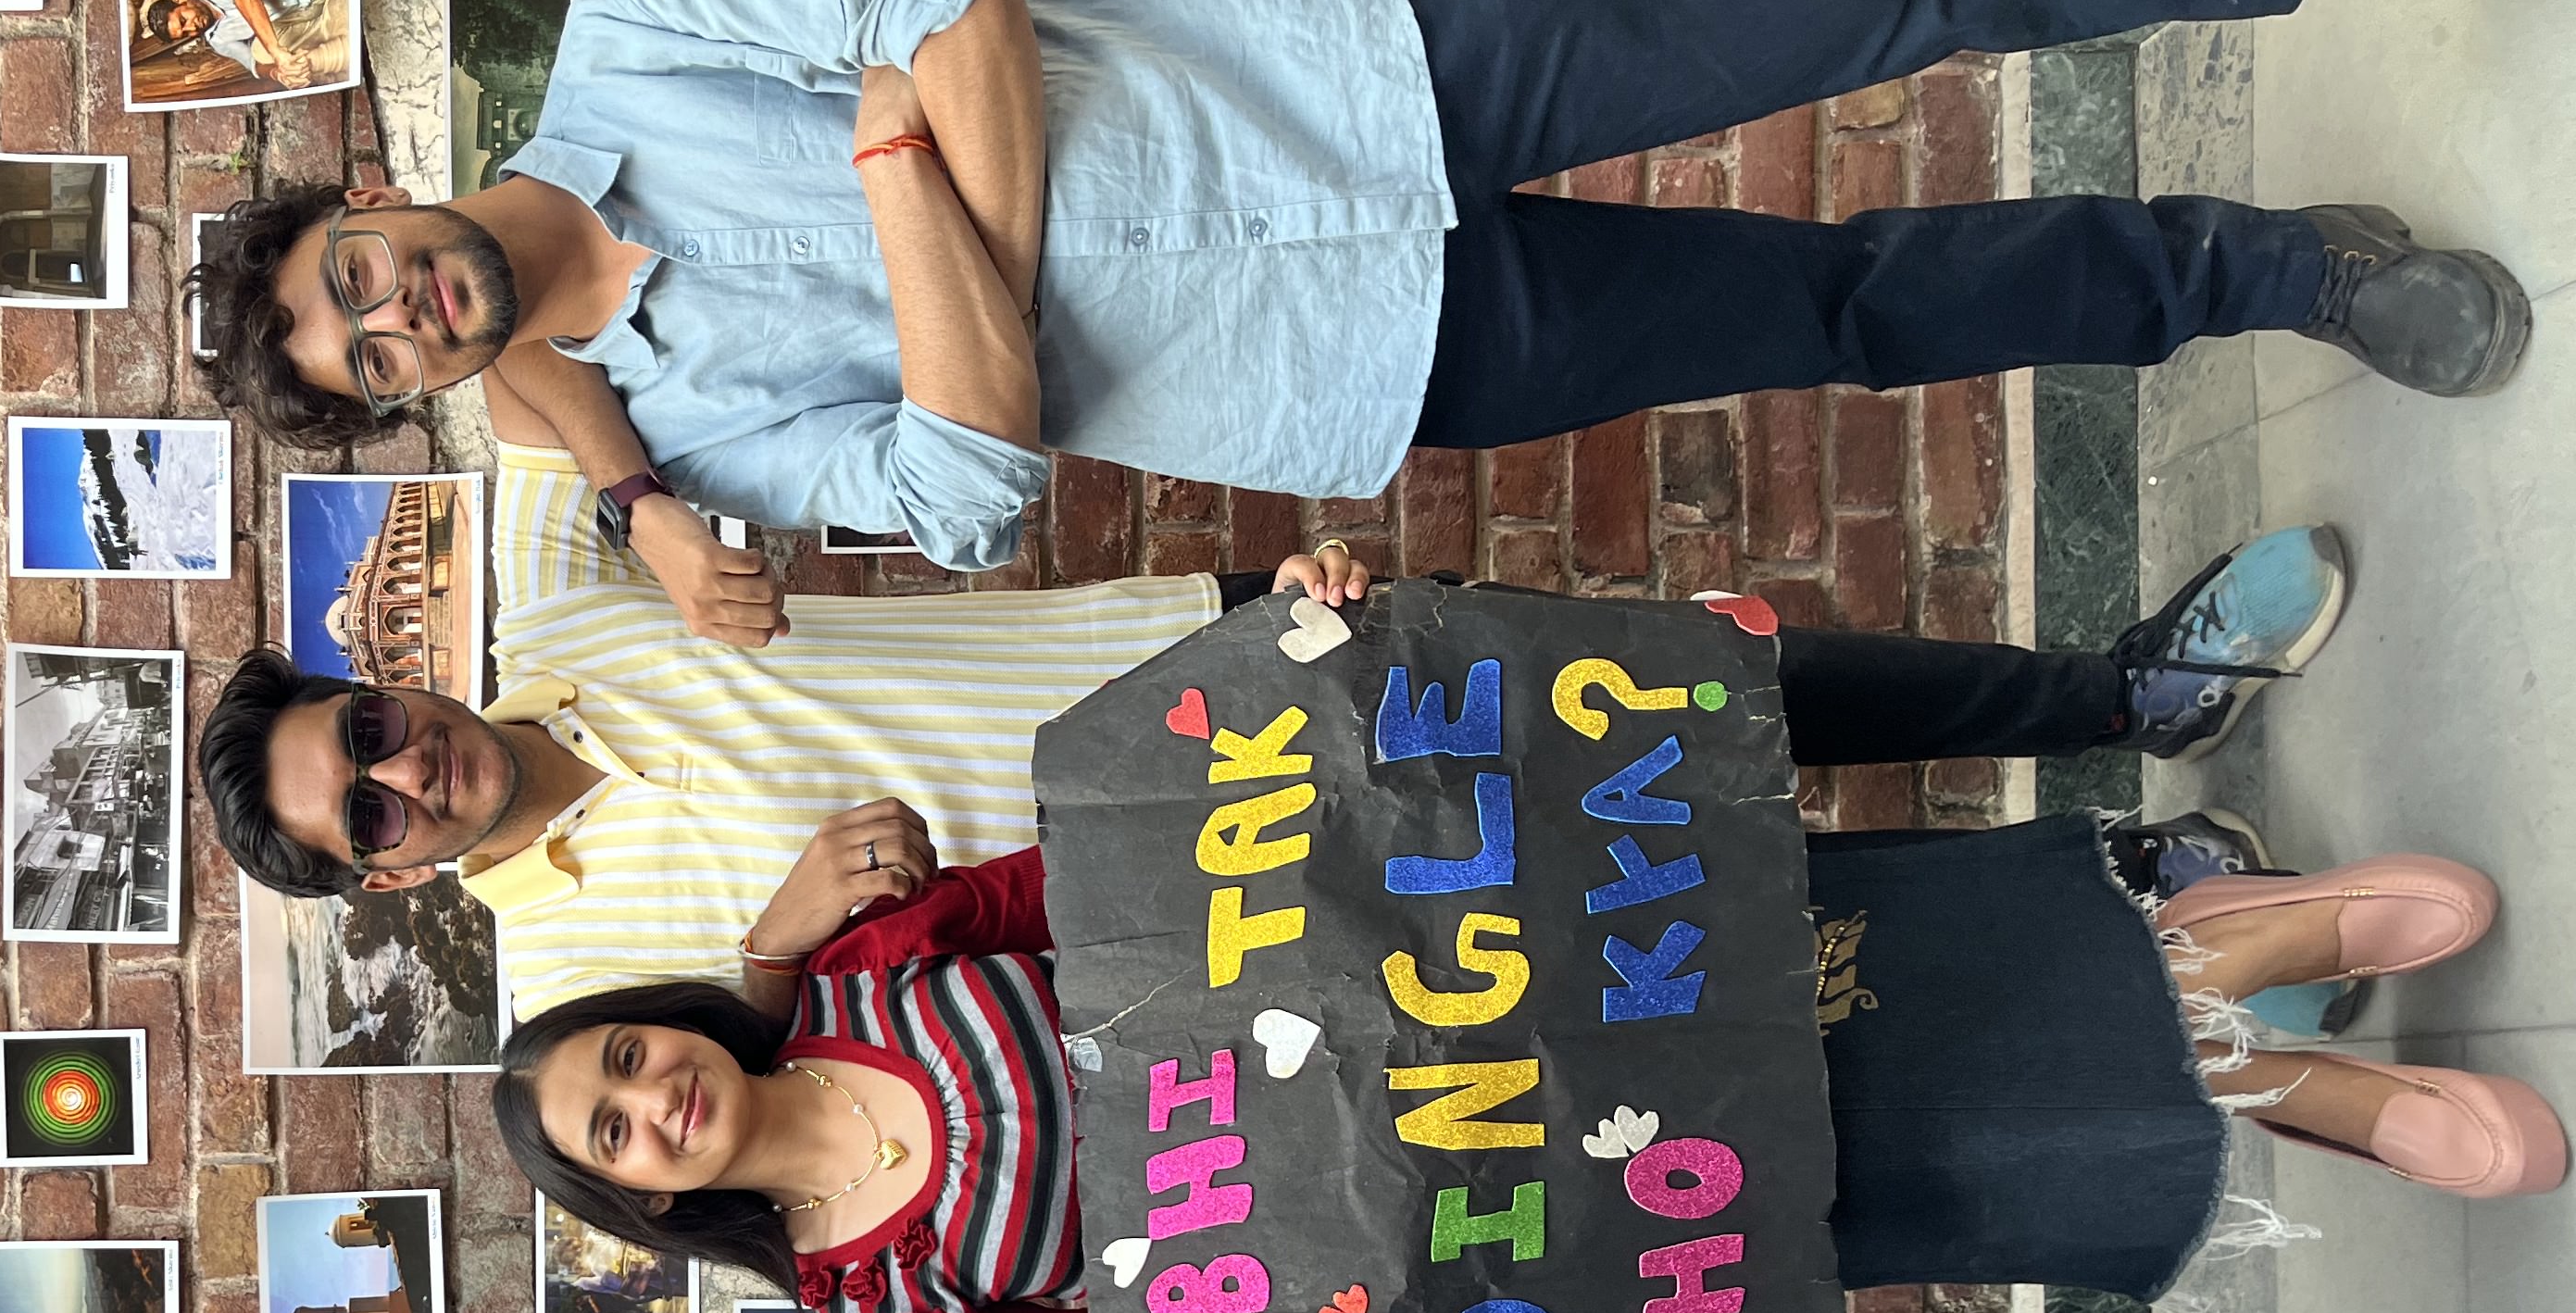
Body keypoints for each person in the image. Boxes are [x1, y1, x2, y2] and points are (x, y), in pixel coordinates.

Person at [189, 0, 2573, 592]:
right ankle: (2283, 273)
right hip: (1355, 358)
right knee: (1846, 314)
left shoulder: (636, 24)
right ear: (417, 392)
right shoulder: (689, 437)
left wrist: (956, 273)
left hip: (1351, 57)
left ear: (370, 193)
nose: (401, 313)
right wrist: (896, 155)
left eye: (352, 277)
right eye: (374, 358)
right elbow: (976, 494)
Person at [492, 823, 2566, 1313]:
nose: (654, 1101)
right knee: (1883, 1162)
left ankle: (2255, 953)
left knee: (1863, 987)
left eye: (626, 1060)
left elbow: (1111, 876)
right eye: (620, 1136)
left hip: (1458, 990)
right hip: (1466, 1215)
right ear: (638, 1196)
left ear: (662, 1021)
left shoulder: (871, 970)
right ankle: (2287, 1083)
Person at [199, 455, 2358, 1014]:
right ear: (384, 878)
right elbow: (759, 1127)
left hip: (1221, 654)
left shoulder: (558, 605)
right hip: (1226, 905)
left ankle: (2120, 691)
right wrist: (776, 943)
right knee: (1675, 905)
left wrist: (642, 511)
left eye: (363, 724)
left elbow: (538, 330)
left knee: (1703, 695)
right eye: (362, 814)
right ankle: (2128, 905)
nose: (401, 770)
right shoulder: (561, 983)